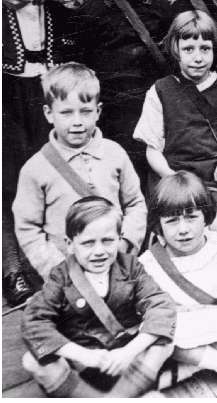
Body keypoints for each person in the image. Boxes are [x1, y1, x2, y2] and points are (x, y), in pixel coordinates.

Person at [2, 0, 81, 304]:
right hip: (3, 70)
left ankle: (50, 267)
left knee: (47, 166)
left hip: (46, 66)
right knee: (7, 170)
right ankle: (10, 267)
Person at [21, 197, 175, 398]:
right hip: (82, 360)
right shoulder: (61, 276)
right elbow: (33, 321)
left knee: (165, 344)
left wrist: (129, 351)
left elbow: (161, 305)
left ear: (120, 239)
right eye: (88, 243)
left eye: (108, 241)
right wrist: (83, 355)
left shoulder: (131, 266)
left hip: (124, 356)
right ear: (70, 244)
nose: (99, 251)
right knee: (31, 361)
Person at [65, 0, 173, 197]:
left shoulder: (163, 9)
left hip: (155, 108)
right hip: (113, 112)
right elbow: (80, 71)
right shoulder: (89, 14)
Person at [14, 63, 147, 281]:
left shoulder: (115, 154)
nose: (77, 122)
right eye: (66, 112)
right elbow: (28, 228)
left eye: (85, 112)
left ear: (98, 111)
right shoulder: (35, 168)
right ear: (49, 113)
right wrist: (55, 270)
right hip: (67, 278)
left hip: (116, 270)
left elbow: (135, 204)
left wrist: (125, 245)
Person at [139, 173, 217, 398]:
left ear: (206, 217)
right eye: (171, 221)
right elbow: (148, 310)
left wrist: (212, 311)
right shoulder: (149, 264)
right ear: (158, 227)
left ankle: (188, 367)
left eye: (191, 217)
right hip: (180, 331)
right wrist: (179, 311)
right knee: (159, 334)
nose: (183, 229)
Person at [133, 10, 217, 239]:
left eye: (205, 49)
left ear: (215, 49)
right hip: (175, 177)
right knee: (178, 232)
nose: (198, 57)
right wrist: (172, 177)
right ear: (176, 50)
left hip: (216, 179)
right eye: (188, 49)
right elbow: (152, 150)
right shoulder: (161, 90)